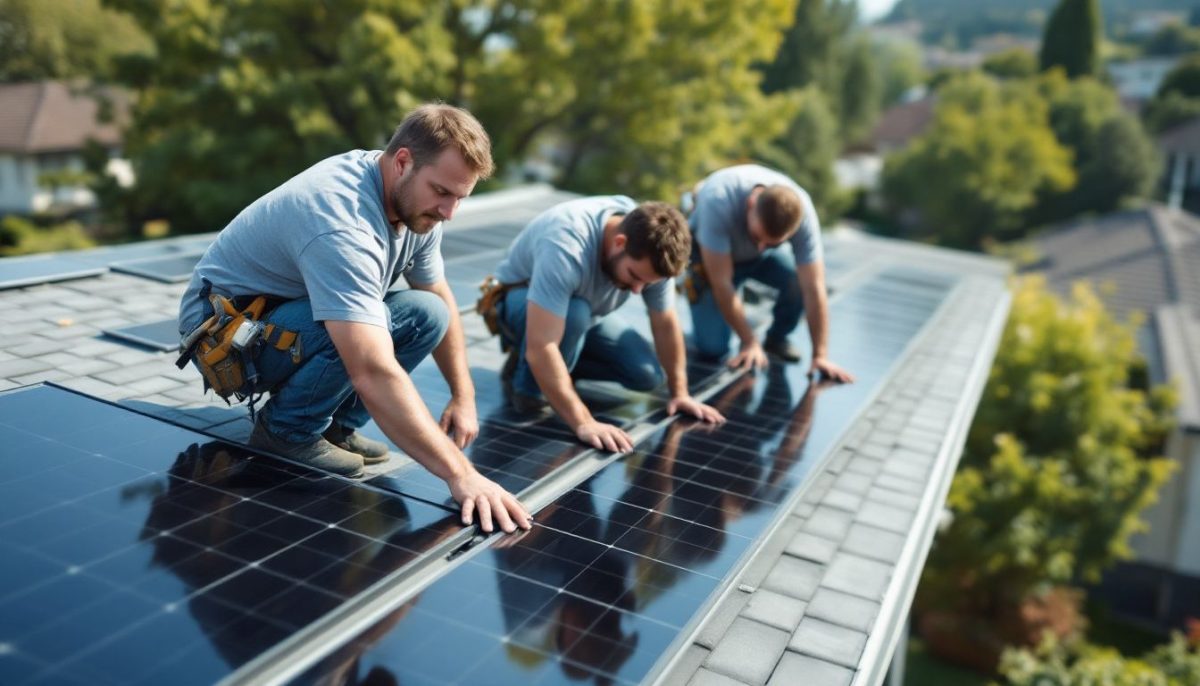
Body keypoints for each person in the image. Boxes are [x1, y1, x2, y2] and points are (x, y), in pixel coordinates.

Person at [177, 103, 530, 534]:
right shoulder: (342, 222)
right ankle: (287, 432)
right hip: (224, 334)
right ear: (403, 161)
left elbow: (438, 294)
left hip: (281, 317)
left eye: (460, 197)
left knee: (427, 313)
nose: (449, 212)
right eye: (442, 192)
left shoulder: (416, 202)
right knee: (362, 322)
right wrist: (462, 475)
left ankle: (335, 428)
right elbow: (372, 370)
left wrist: (464, 395)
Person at [486, 197, 724, 452]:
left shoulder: (656, 249)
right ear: (619, 243)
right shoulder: (566, 244)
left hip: (587, 315)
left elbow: (665, 324)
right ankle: (528, 388)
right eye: (634, 276)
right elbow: (543, 345)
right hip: (521, 301)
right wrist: (584, 422)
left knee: (646, 376)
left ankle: (558, 365)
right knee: (575, 313)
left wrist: (680, 393)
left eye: (647, 284)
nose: (637, 290)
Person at [685, 164, 854, 383]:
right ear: (751, 203)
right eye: (757, 237)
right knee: (712, 349)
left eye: (773, 244)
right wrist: (749, 342)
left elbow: (814, 288)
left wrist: (820, 355)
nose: (762, 247)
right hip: (711, 257)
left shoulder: (803, 213)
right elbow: (723, 284)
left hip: (758, 263)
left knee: (798, 281)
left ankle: (777, 338)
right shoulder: (719, 200)